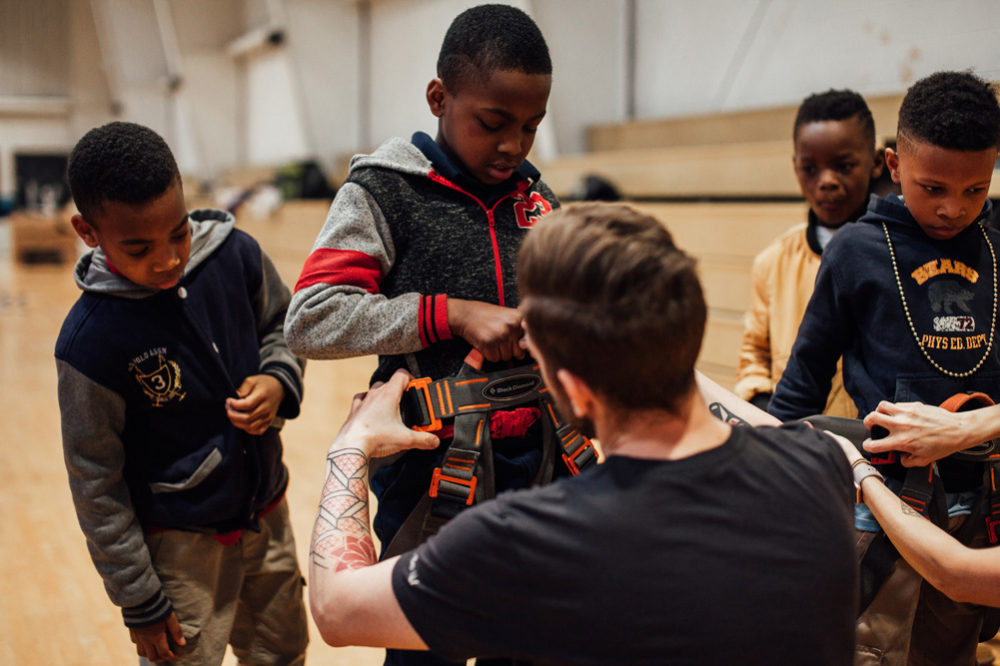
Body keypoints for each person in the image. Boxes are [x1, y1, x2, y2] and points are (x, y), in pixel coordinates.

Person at [306, 202, 858, 665]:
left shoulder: (527, 543)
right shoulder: (821, 462)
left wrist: (352, 445)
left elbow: (336, 609)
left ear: (575, 389)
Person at [284, 6, 560, 664]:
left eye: (531, 127)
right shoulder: (387, 192)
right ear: (439, 97)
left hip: (545, 465)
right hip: (431, 476)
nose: (514, 146)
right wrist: (449, 313)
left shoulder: (538, 199)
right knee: (423, 649)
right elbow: (312, 317)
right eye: (492, 124)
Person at [55, 122, 308, 665]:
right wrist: (140, 601)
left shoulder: (236, 255)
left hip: (268, 514)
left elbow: (282, 326)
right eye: (140, 247)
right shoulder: (90, 342)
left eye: (179, 232)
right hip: (178, 549)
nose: (169, 257)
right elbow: (95, 482)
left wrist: (277, 377)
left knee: (283, 654)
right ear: (88, 230)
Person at [769, 71, 1000, 666]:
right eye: (933, 187)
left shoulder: (998, 247)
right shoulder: (855, 250)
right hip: (884, 505)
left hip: (981, 504)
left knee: (950, 650)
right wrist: (764, 479)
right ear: (893, 167)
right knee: (871, 649)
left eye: (976, 189)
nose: (954, 207)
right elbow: (802, 382)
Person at [736, 89, 883, 415]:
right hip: (802, 448)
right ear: (795, 167)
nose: (827, 181)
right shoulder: (772, 262)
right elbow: (753, 360)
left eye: (844, 165)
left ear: (875, 163)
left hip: (879, 453)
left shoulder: (896, 255)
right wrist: (769, 413)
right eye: (810, 168)